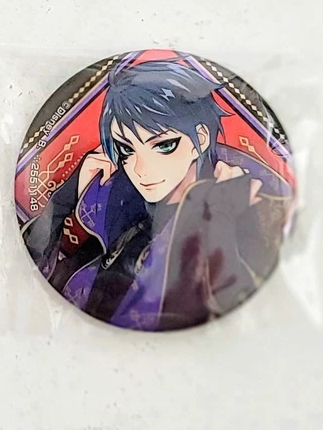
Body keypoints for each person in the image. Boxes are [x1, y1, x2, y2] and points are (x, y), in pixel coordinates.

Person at [22, 61, 293, 331]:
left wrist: (218, 217)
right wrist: (68, 194)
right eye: (127, 149)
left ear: (200, 139)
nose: (141, 169)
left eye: (164, 146)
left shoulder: (240, 208)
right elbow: (33, 268)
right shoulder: (119, 204)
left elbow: (226, 303)